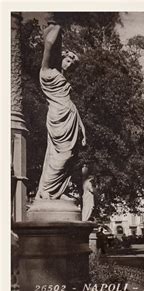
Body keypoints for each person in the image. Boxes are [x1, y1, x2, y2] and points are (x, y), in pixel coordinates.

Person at [36, 21, 86, 200]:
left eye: (74, 62)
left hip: (70, 119)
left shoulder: (62, 77)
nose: (70, 63)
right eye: (69, 58)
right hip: (58, 119)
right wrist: (59, 24)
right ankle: (47, 189)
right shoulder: (47, 71)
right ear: (61, 56)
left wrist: (81, 126)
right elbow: (48, 45)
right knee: (63, 154)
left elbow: (69, 101)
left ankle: (57, 191)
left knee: (70, 156)